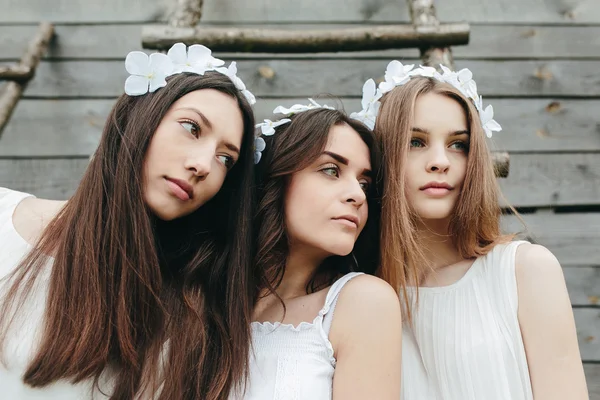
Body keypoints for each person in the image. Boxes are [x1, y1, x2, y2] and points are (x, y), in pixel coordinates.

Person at [0, 43, 257, 400]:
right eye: (191, 127)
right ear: (140, 118)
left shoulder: (190, 315)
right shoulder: (4, 218)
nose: (204, 164)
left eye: (226, 159)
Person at [353, 62, 589, 400]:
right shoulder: (356, 291)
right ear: (382, 156)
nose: (440, 161)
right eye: (415, 142)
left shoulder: (526, 271)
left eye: (458, 145)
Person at [230, 100, 402, 400]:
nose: (356, 196)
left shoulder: (361, 303)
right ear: (276, 176)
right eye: (331, 170)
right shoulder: (201, 301)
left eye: (364, 184)